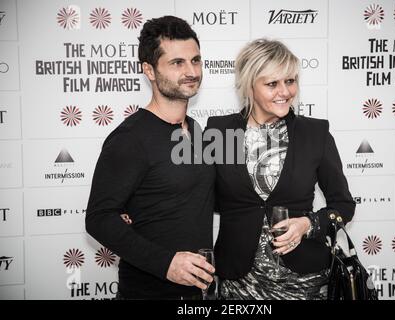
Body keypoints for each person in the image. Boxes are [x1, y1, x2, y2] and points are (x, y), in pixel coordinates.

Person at [205, 39, 355, 300]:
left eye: (290, 80)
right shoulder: (221, 131)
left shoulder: (314, 133)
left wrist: (308, 224)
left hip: (305, 281)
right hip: (238, 282)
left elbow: (344, 205)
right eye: (272, 83)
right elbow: (200, 196)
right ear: (249, 85)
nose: (285, 91)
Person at [85, 16, 215, 300]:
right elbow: (98, 218)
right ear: (150, 70)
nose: (191, 71)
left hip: (196, 292)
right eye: (177, 63)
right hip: (148, 292)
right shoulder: (130, 138)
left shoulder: (197, 129)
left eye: (195, 60)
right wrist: (165, 263)